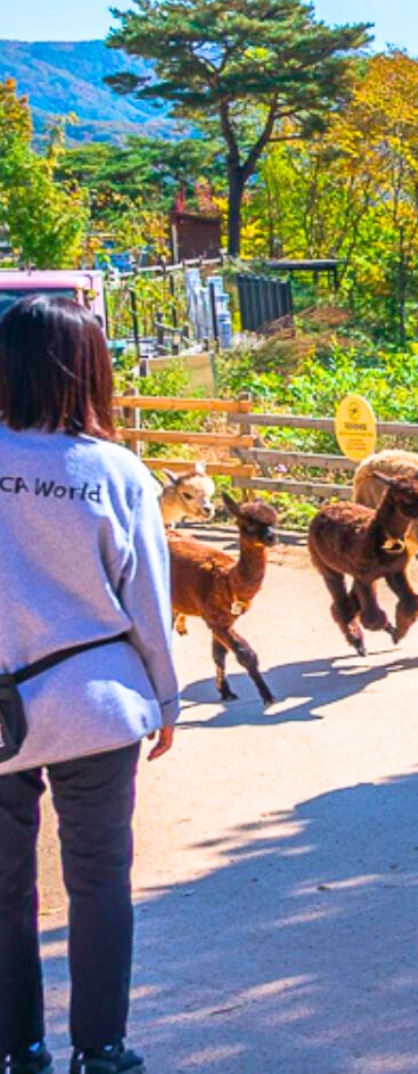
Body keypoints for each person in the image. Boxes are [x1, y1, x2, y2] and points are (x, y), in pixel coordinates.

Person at [0, 297, 179, 1074]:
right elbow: (147, 601)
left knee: (4, 891)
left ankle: (16, 1049)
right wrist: (167, 700)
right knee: (100, 879)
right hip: (96, 704)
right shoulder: (115, 472)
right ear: (90, 373)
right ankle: (101, 1051)